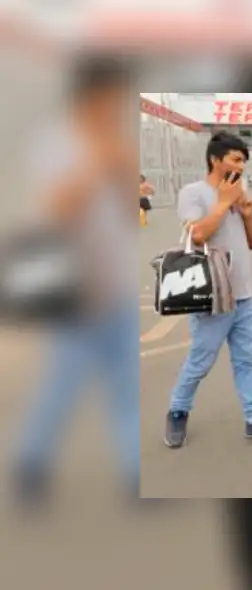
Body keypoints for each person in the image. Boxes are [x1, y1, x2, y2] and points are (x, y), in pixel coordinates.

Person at [12, 57, 140, 505]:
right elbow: (53, 210)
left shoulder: (113, 142)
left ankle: (134, 476)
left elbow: (127, 215)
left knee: (127, 387)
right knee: (61, 387)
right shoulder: (57, 143)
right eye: (114, 98)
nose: (118, 108)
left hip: (116, 289)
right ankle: (30, 463)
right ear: (93, 96)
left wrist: (125, 175)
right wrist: (96, 163)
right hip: (75, 294)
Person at [164, 132, 252, 449]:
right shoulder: (193, 193)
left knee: (246, 361)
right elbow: (197, 235)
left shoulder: (240, 192)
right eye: (236, 159)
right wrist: (223, 203)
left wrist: (248, 216)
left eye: (244, 162)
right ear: (215, 159)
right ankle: (177, 411)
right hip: (212, 297)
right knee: (200, 361)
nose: (241, 167)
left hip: (244, 295)